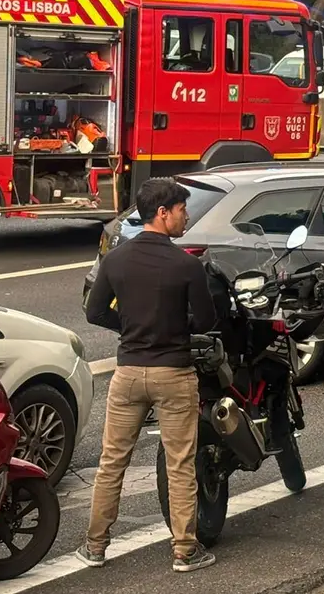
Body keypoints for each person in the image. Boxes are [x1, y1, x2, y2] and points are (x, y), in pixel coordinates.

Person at [80, 178, 218, 572]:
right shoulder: (187, 265)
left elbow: (94, 312)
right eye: (182, 210)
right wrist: (175, 326)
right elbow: (206, 320)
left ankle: (94, 547)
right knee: (180, 463)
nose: (186, 217)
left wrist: (128, 326)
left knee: (112, 462)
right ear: (162, 212)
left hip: (127, 374)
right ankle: (185, 550)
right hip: (173, 374)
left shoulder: (116, 259)